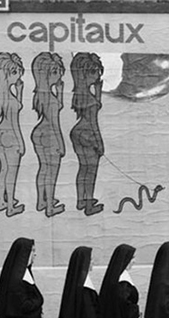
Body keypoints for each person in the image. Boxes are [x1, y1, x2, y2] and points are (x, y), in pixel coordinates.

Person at [31, 52, 66, 217]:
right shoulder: (50, 99)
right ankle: (50, 206)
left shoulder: (41, 94)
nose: (59, 75)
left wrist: (60, 92)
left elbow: (57, 108)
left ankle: (41, 201)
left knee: (44, 168)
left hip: (38, 132)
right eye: (55, 72)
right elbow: (55, 123)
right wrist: (61, 144)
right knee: (52, 172)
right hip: (49, 134)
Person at [0, 52, 26, 217]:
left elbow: (15, 109)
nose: (18, 75)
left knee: (3, 169)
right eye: (15, 72)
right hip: (10, 135)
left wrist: (19, 91)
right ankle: (11, 206)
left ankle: (1, 201)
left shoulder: (1, 94)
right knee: (11, 172)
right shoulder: (10, 100)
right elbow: (15, 123)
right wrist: (21, 143)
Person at [70, 53, 104, 216]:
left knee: (83, 168)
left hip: (77, 132)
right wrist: (99, 143)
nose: (97, 75)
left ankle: (81, 200)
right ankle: (89, 205)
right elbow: (93, 123)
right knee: (91, 171)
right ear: (84, 73)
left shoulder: (80, 93)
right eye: (94, 72)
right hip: (87, 133)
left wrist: (98, 92)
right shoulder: (89, 98)